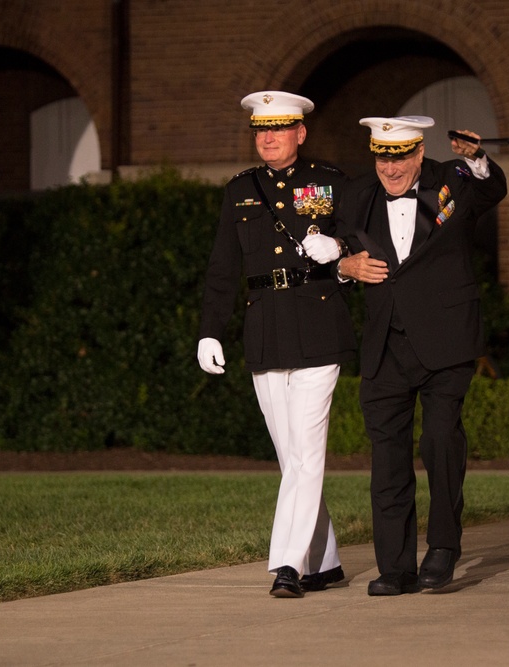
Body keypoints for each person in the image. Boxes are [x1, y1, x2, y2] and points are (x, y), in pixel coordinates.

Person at [331, 115, 507, 595]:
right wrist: (346, 268)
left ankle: (444, 547)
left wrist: (475, 158)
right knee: (387, 458)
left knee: (439, 441)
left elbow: (492, 192)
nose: (390, 168)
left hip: (447, 338)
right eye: (382, 157)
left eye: (401, 157)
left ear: (420, 152)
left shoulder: (452, 180)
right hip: (386, 343)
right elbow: (337, 252)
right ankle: (395, 567)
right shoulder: (357, 194)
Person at [196, 90, 356, 598]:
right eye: (260, 129)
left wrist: (341, 250)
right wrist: (209, 329)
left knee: (307, 452)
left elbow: (364, 240)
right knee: (293, 457)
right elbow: (223, 268)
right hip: (265, 325)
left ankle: (288, 564)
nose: (267, 137)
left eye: (279, 128)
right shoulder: (239, 190)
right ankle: (325, 561)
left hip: (317, 321)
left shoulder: (329, 183)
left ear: (300, 133)